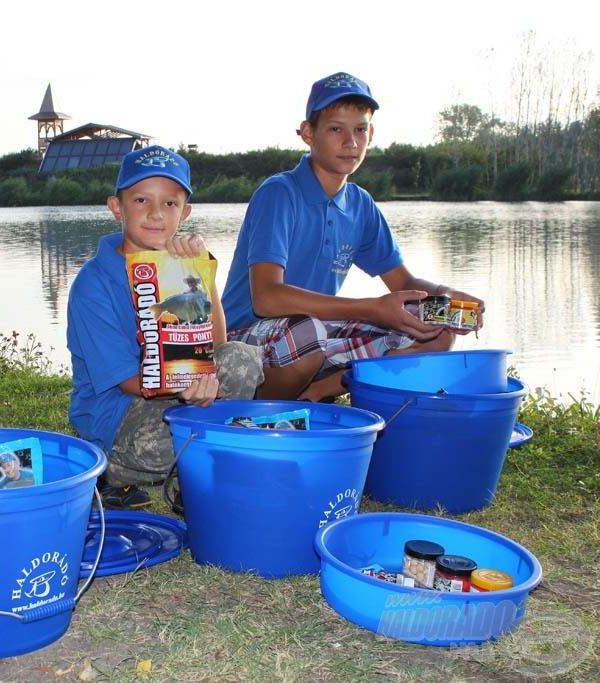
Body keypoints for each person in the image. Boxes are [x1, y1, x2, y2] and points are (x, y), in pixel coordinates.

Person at [221, 72, 483, 402]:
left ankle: (314, 396)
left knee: (435, 326)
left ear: (371, 133)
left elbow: (403, 284)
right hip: (246, 337)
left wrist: (446, 297)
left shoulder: (359, 204)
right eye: (336, 129)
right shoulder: (280, 193)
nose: (351, 141)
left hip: (312, 335)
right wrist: (372, 309)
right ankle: (262, 415)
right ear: (308, 133)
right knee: (308, 333)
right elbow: (266, 298)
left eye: (360, 129)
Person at [67, 145, 263, 509]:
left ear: (184, 212)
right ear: (116, 208)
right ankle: (111, 471)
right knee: (187, 438)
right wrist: (188, 386)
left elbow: (216, 345)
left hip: (175, 394)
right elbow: (127, 381)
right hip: (119, 418)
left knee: (241, 359)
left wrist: (202, 271)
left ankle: (199, 469)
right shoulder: (93, 283)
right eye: (141, 200)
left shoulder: (179, 266)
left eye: (170, 204)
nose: (156, 214)